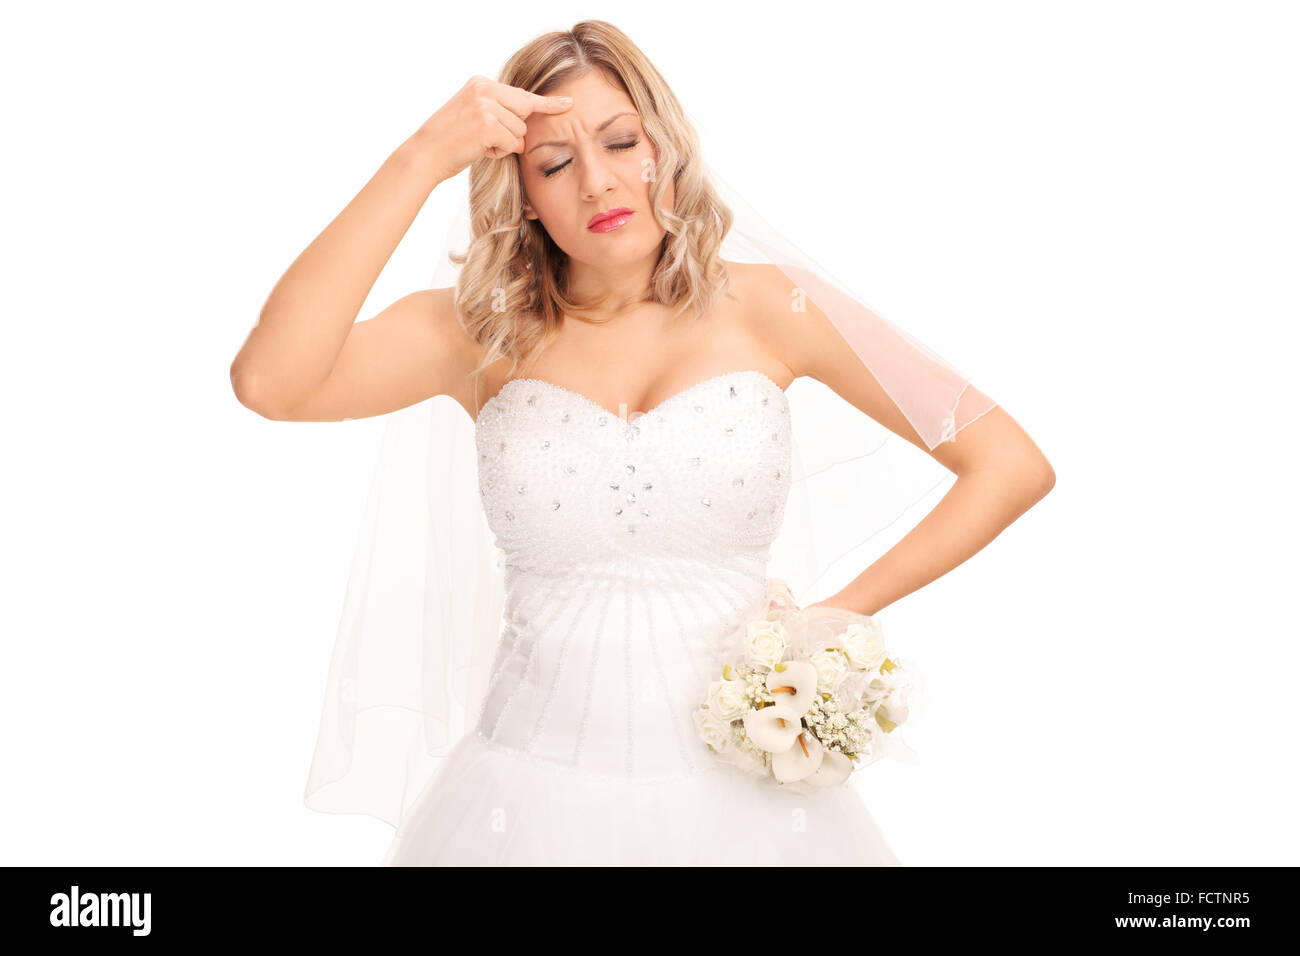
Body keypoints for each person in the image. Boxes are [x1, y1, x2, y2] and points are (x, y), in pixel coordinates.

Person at [231, 20, 1054, 866]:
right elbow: (270, 382)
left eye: (622, 142)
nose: (597, 183)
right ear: (519, 193)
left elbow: (1007, 463)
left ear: (664, 145)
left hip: (753, 811)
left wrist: (829, 621)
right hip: (521, 806)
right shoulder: (475, 335)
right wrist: (419, 157)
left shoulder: (778, 309)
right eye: (554, 164)